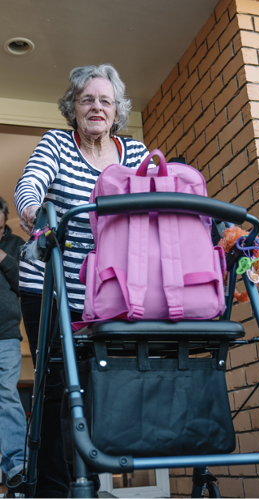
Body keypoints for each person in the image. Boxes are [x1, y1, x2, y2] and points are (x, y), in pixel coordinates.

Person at [14, 63, 148, 499]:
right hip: (51, 285)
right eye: (86, 99)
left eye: (104, 100)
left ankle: (83, 481)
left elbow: (158, 195)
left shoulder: (136, 152)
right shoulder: (57, 143)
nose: (95, 107)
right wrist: (37, 213)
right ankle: (53, 490)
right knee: (56, 386)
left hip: (108, 294)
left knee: (96, 385)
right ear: (72, 107)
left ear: (117, 110)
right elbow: (30, 185)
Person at [0, 199, 26, 490]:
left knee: (6, 394)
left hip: (6, 335)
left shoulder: (16, 244)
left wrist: (4, 259)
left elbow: (26, 284)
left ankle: (17, 464)